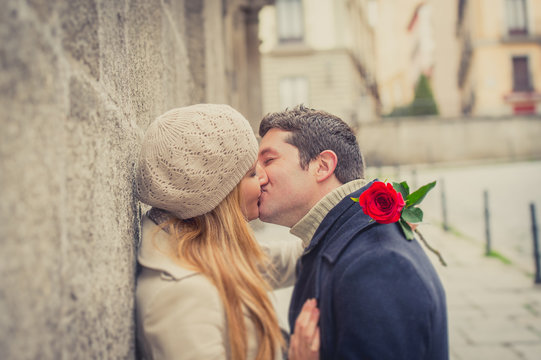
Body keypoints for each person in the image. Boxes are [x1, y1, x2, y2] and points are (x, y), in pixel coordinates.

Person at [257, 105, 449, 359]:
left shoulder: (377, 264)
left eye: (268, 161)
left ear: (322, 166)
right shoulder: (338, 237)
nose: (257, 176)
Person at [134, 104, 316, 360]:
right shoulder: (183, 295)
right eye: (253, 173)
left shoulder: (206, 249)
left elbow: (296, 258)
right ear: (219, 195)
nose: (264, 177)